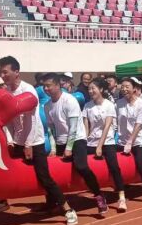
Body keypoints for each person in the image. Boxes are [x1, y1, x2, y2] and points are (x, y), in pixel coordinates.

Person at [0, 57, 78, 225]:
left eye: (5, 72)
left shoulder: (28, 90)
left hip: (34, 141)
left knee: (44, 177)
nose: (2, 75)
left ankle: (68, 209)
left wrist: (28, 144)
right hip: (17, 140)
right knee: (2, 168)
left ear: (16, 72)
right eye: (0, 72)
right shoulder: (6, 93)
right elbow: (8, 121)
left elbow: (32, 121)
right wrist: (10, 141)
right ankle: (1, 201)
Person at [43, 73, 106, 215]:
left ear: (58, 85)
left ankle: (99, 195)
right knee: (51, 170)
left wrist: (69, 148)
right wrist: (53, 148)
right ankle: (51, 202)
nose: (46, 89)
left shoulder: (69, 101)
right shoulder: (47, 106)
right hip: (60, 140)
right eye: (44, 86)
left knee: (81, 166)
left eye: (48, 85)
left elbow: (73, 127)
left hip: (77, 139)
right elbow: (51, 129)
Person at [83, 78, 126, 210]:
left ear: (101, 89)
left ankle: (122, 197)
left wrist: (100, 146)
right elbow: (86, 126)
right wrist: (84, 142)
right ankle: (98, 194)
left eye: (93, 88)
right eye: (89, 89)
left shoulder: (109, 105)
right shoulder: (87, 106)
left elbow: (107, 126)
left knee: (114, 167)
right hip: (91, 141)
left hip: (106, 141)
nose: (91, 91)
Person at [116, 78, 142, 209]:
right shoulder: (118, 104)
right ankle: (122, 195)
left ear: (134, 88)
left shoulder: (141, 104)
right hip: (122, 140)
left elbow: (139, 125)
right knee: (117, 165)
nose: (124, 89)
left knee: (140, 164)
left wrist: (130, 142)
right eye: (122, 87)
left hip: (138, 139)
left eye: (127, 86)